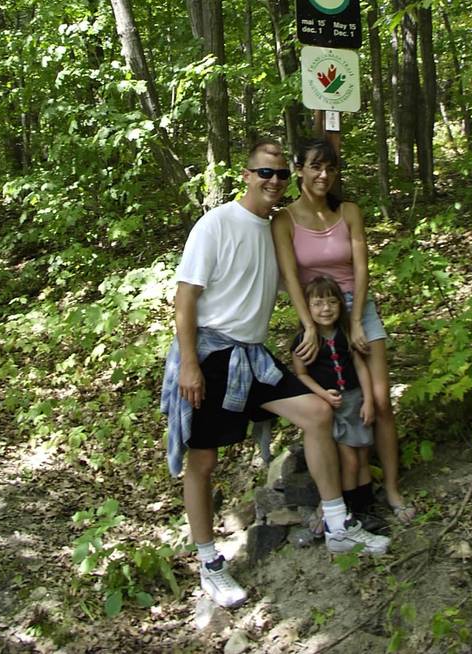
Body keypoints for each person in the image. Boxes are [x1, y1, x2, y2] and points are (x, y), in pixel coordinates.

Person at [161, 139, 390, 610]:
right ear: (246, 175)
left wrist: (321, 322)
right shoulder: (216, 224)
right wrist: (189, 364)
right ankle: (209, 562)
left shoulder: (274, 228)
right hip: (211, 355)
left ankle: (338, 524)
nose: (274, 181)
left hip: (254, 357)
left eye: (281, 174)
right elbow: (185, 298)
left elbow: (300, 273)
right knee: (203, 461)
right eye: (265, 172)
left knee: (317, 413)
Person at [272, 137, 415, 524]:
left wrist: (354, 322)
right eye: (315, 167)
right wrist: (307, 326)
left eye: (330, 168)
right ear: (299, 169)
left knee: (380, 402)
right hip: (317, 316)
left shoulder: (349, 211)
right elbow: (291, 276)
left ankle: (392, 489)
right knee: (330, 406)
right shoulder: (283, 220)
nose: (323, 175)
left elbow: (361, 267)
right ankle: (338, 496)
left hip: (357, 309)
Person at [291, 276, 388, 534]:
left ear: (341, 305)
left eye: (332, 302)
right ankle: (349, 511)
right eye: (318, 303)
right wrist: (323, 394)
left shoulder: (345, 333)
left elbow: (360, 366)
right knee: (349, 461)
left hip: (356, 401)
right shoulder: (303, 340)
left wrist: (369, 400)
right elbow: (301, 374)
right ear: (307, 308)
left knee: (363, 457)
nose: (326, 309)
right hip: (335, 407)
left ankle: (367, 509)